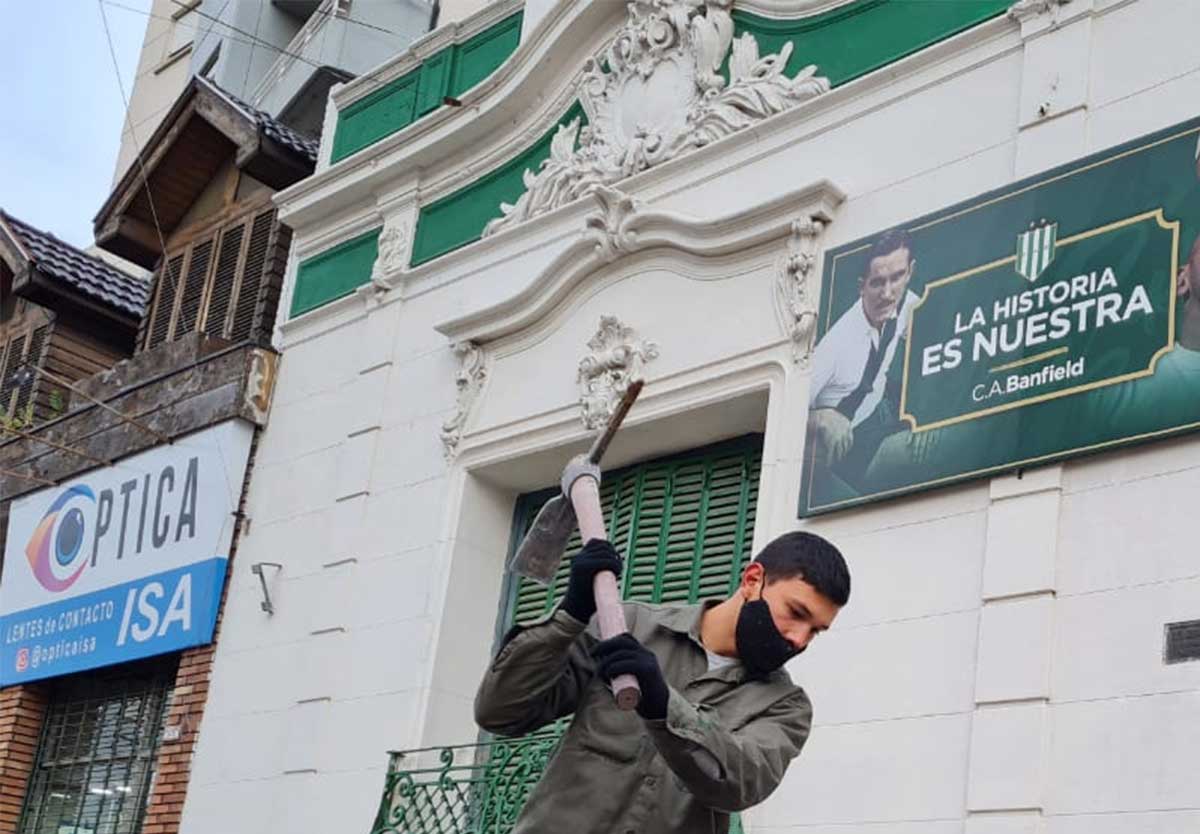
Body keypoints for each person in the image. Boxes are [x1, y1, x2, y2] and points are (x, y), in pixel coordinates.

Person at [474, 530, 851, 834]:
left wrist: (662, 705)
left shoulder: (785, 706)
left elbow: (742, 782)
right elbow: (500, 713)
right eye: (796, 613)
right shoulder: (627, 626)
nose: (800, 639)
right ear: (753, 580)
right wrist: (569, 615)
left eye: (816, 631)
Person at [806, 229, 921, 495]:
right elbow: (785, 415)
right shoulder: (834, 347)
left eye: (897, 278)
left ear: (910, 272)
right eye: (877, 283)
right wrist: (822, 417)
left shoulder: (907, 304)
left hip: (874, 420)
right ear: (861, 286)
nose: (888, 294)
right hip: (830, 449)